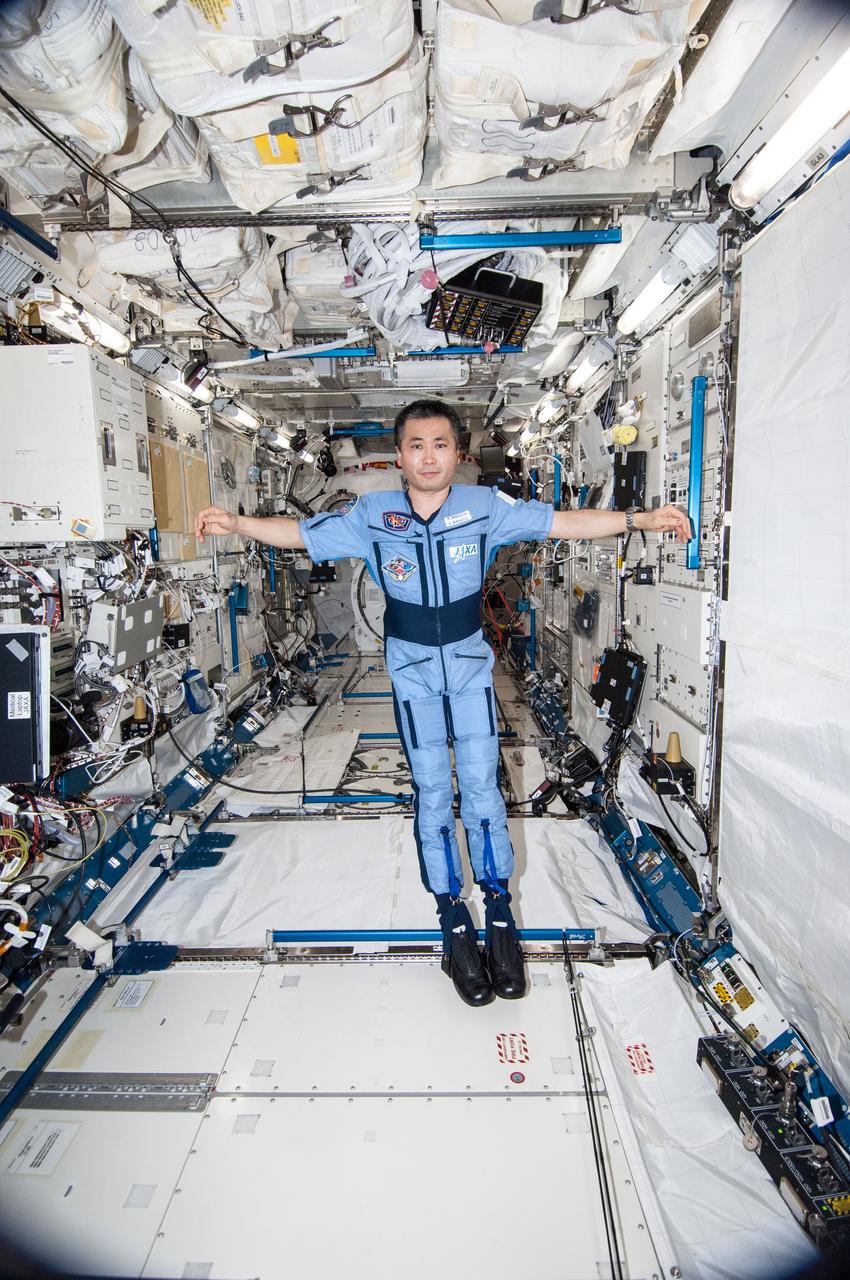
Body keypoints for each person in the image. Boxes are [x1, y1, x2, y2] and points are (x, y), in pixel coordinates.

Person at [195, 399, 691, 1007]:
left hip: (467, 664)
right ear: (398, 456)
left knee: (483, 787)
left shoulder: (486, 508)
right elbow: (299, 533)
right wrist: (239, 524)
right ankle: (453, 918)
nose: (428, 457)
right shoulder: (371, 513)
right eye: (415, 445)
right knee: (432, 789)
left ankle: (500, 914)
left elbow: (563, 522)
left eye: (439, 445)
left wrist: (639, 521)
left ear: (457, 453)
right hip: (409, 669)